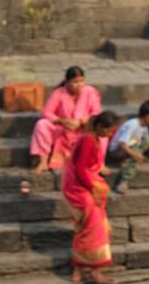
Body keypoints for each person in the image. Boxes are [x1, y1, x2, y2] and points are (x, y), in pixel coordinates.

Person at [63, 113, 120, 284]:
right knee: (94, 229)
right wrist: (92, 189)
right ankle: (94, 271)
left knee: (86, 228)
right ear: (100, 128)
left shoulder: (92, 138)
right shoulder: (88, 140)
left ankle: (79, 269)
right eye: (110, 131)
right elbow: (80, 169)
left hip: (81, 185)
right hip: (79, 188)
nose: (111, 135)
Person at [26, 66, 104, 194]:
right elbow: (46, 112)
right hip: (62, 130)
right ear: (67, 82)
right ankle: (43, 161)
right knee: (42, 124)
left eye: (81, 81)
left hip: (83, 130)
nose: (79, 85)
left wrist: (81, 121)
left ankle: (100, 164)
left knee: (102, 130)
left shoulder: (90, 92)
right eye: (75, 82)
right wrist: (61, 121)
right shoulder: (59, 92)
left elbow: (96, 113)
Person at [107, 101, 149, 191]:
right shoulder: (132, 125)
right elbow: (122, 144)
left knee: (146, 141)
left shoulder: (144, 127)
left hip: (129, 147)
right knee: (135, 154)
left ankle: (131, 158)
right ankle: (123, 181)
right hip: (116, 151)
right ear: (148, 117)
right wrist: (135, 154)